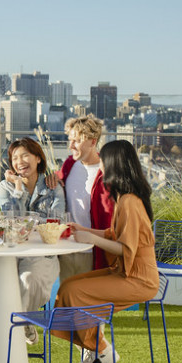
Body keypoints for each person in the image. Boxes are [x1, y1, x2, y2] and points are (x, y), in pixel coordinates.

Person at [56, 140, 160, 363]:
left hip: (138, 279)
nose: (100, 163)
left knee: (76, 291)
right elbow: (113, 233)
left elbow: (125, 249)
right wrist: (84, 230)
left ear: (113, 163)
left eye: (103, 159)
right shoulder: (124, 198)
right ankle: (94, 349)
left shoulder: (130, 202)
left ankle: (102, 351)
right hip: (125, 272)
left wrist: (92, 240)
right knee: (67, 287)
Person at [0, 137, 66, 344]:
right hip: (12, 251)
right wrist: (18, 189)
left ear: (37, 158)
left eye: (25, 155)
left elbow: (56, 223)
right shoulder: (4, 188)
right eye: (15, 158)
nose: (20, 161)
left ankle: (17, 324)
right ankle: (21, 323)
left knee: (28, 279)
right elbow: (11, 222)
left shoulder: (53, 187)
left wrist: (26, 225)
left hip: (42, 252)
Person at [56, 115, 115, 280]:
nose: (71, 146)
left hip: (92, 250)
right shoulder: (69, 164)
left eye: (76, 141)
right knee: (65, 296)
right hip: (67, 246)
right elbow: (57, 180)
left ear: (93, 142)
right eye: (70, 140)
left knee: (88, 302)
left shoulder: (107, 173)